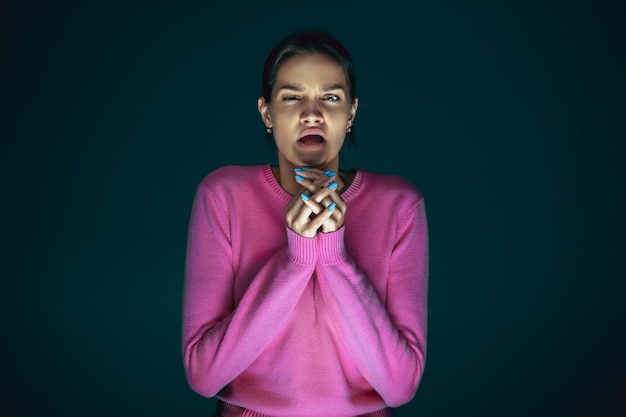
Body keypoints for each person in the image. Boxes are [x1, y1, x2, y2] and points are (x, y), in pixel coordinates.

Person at [182, 30, 429, 417]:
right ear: (266, 112)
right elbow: (203, 375)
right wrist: (296, 259)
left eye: (330, 98)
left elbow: (400, 386)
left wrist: (333, 257)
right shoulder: (222, 196)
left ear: (351, 113)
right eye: (292, 96)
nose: (311, 113)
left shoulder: (399, 205)